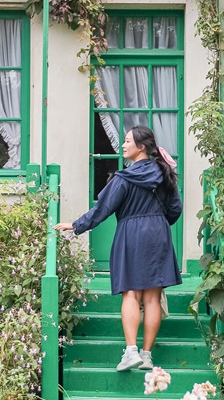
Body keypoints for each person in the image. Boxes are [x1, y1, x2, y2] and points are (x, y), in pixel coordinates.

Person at [56, 125, 182, 372]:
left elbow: (103, 209)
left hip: (131, 234)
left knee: (131, 294)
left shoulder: (124, 178)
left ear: (141, 147)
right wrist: (156, 223)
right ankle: (147, 356)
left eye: (127, 141)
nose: (123, 145)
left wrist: (76, 225)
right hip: (158, 234)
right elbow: (175, 208)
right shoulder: (164, 173)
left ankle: (131, 351)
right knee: (152, 297)